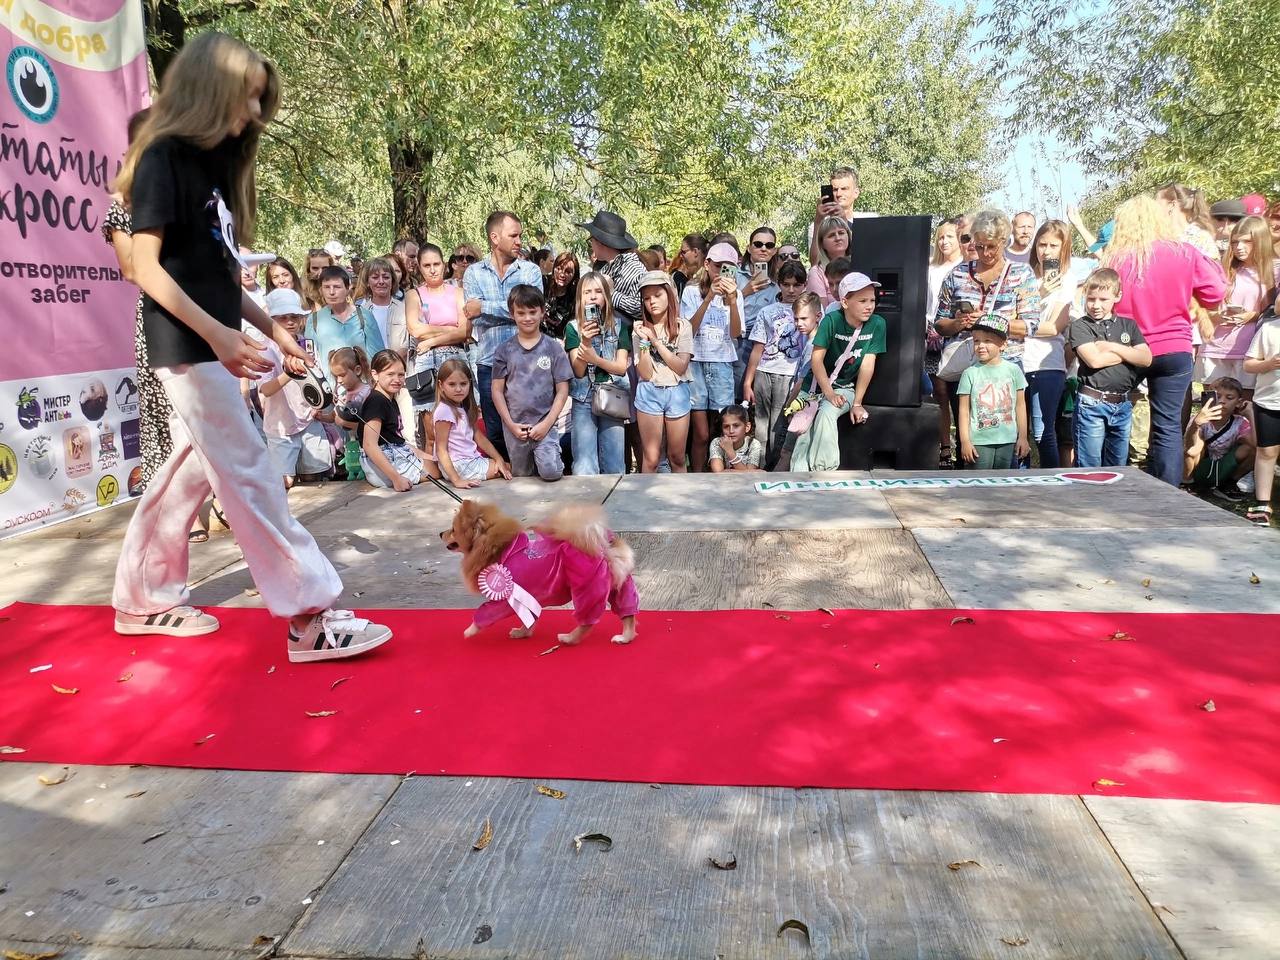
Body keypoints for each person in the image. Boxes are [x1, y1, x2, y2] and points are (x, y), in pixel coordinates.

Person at [107, 31, 390, 658]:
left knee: (187, 472)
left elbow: (222, 279)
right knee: (252, 475)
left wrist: (279, 332)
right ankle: (309, 617)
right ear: (211, 88)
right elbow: (144, 268)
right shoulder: (163, 156)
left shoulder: (210, 175)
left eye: (261, 99)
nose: (256, 112)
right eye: (247, 96)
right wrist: (217, 335)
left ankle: (142, 598)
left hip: (209, 341)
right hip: (188, 343)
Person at [1102, 194, 1226, 485]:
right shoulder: (1184, 252)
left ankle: (1109, 485)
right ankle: (1169, 494)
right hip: (1174, 348)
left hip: (1128, 349)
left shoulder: (1115, 259)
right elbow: (1216, 293)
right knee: (1167, 426)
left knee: (1110, 416)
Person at [463, 210, 544, 458]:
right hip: (490, 363)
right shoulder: (473, 273)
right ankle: (505, 472)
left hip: (527, 361)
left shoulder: (530, 271)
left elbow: (532, 310)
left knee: (530, 424)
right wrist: (513, 310)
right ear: (495, 238)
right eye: (513, 235)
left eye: (520, 235)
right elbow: (473, 314)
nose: (519, 241)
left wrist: (485, 306)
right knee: (495, 429)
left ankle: (531, 473)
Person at [790, 273, 887, 471]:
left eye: (872, 300)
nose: (869, 306)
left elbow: (868, 365)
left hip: (845, 388)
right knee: (803, 437)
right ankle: (798, 477)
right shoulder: (831, 320)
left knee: (827, 413)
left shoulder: (877, 324)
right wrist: (829, 393)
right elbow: (816, 360)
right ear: (845, 302)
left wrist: (857, 403)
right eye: (862, 301)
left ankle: (825, 472)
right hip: (815, 387)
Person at [1066, 268, 1153, 468]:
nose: (1096, 305)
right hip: (1092, 404)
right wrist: (1129, 353)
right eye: (1091, 299)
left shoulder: (1129, 326)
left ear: (1117, 296)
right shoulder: (1080, 326)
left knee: (1117, 467)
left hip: (1123, 404)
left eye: (1103, 299)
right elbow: (1094, 361)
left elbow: (1146, 359)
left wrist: (1112, 347)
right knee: (1089, 467)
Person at [491, 285, 572, 481]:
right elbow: (497, 391)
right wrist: (510, 425)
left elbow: (562, 390)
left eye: (532, 312)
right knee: (522, 476)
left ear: (542, 312)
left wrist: (546, 424)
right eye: (521, 313)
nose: (527, 318)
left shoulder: (553, 349)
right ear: (512, 314)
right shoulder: (504, 350)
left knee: (550, 471)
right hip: (515, 427)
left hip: (545, 424)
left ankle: (557, 459)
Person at [256, 289, 333, 486]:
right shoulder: (264, 349)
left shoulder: (308, 345)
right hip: (280, 425)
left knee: (315, 475)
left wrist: (317, 405)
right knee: (284, 481)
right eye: (283, 318)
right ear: (272, 320)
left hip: (310, 419)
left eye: (294, 317)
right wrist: (290, 374)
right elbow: (266, 389)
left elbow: (319, 377)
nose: (290, 322)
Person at [1199, 216, 1278, 398]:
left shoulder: (1275, 270)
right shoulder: (1222, 269)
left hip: (1250, 349)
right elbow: (1202, 307)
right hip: (1216, 346)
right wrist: (1216, 315)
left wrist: (1253, 315)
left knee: (1245, 405)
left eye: (1246, 241)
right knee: (1214, 404)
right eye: (1234, 242)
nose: (1239, 247)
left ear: (1260, 240)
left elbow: (1275, 310)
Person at [683, 242, 744, 471]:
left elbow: (735, 333)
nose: (721, 272)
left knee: (722, 430)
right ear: (707, 264)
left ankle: (722, 473)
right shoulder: (691, 291)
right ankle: (698, 474)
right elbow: (688, 330)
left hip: (722, 364)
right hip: (695, 363)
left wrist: (733, 301)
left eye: (728, 268)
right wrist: (708, 298)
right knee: (700, 433)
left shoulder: (736, 295)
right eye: (718, 266)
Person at [404, 243, 470, 453]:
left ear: (444, 265)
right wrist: (450, 329)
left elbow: (465, 331)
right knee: (431, 430)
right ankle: (433, 469)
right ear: (419, 267)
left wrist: (431, 340)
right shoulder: (414, 295)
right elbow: (415, 329)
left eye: (436, 264)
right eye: (427, 265)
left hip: (455, 359)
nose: (432, 270)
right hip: (426, 363)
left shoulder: (458, 293)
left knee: (461, 424)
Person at [743, 261, 809, 466]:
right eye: (786, 284)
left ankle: (775, 470)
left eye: (796, 285)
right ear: (778, 284)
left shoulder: (812, 310)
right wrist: (747, 382)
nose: (791, 290)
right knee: (761, 427)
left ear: (805, 285)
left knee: (780, 427)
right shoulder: (767, 311)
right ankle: (758, 466)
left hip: (790, 374)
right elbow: (758, 348)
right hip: (764, 372)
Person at [566, 272, 631, 475]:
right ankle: (587, 496)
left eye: (598, 291)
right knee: (584, 464)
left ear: (606, 297)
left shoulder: (620, 326)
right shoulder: (572, 327)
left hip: (612, 395)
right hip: (584, 397)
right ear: (580, 297)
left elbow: (621, 367)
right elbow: (578, 371)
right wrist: (585, 341)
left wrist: (596, 359)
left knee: (614, 463)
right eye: (587, 292)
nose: (593, 296)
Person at [1024, 220, 1076, 467]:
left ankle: (1050, 482)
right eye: (1042, 244)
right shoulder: (1023, 275)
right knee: (1017, 434)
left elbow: (1055, 326)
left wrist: (1018, 326)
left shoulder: (1067, 280)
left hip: (1048, 363)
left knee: (1043, 433)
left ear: (1064, 248)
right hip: (1018, 359)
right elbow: (1008, 316)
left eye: (1053, 246)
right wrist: (1039, 293)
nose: (1046, 251)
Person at [633, 270, 694, 472]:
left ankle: (680, 492)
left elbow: (681, 366)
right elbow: (646, 373)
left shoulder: (683, 326)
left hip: (677, 391)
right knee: (651, 458)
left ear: (669, 294)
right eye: (646, 298)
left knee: (677, 457)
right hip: (649, 391)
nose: (652, 301)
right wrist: (644, 341)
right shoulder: (639, 328)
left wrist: (655, 342)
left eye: (657, 295)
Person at [956, 315, 1030, 470]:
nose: (981, 346)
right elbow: (963, 411)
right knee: (978, 481)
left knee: (1004, 481)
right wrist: (965, 442)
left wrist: (1023, 437)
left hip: (1008, 440)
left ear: (1003, 344)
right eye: (976, 341)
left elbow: (1020, 406)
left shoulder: (1014, 371)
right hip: (979, 442)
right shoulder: (969, 373)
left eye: (988, 341)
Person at [358, 350, 434, 490]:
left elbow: (398, 441)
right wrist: (396, 479)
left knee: (438, 462)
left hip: (395, 453)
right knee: (438, 470)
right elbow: (369, 444)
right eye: (390, 374)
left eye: (401, 375)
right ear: (375, 374)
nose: (397, 379)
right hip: (386, 464)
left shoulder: (389, 399)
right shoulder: (376, 401)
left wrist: (429, 457)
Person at [431, 357, 511, 488]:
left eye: (463, 384)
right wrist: (456, 480)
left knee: (504, 465)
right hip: (460, 465)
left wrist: (499, 458)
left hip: (468, 461)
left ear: (470, 383)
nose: (458, 389)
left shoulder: (463, 407)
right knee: (510, 469)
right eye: (452, 384)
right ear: (441, 385)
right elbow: (441, 450)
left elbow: (478, 436)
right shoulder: (444, 411)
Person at [308, 265, 384, 391]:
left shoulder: (363, 316)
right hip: (330, 391)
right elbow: (310, 358)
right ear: (321, 290)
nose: (331, 292)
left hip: (363, 390)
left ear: (348, 288)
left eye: (337, 287)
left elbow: (378, 355)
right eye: (326, 287)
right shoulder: (314, 320)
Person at [927, 219, 963, 464]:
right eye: (940, 237)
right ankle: (944, 448)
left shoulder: (964, 268)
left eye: (949, 236)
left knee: (959, 393)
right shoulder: (931, 269)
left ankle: (964, 443)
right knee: (938, 392)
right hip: (932, 335)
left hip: (958, 335)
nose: (944, 241)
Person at [1183, 378, 1255, 500]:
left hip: (1224, 467)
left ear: (1239, 402)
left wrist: (1250, 415)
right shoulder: (1199, 419)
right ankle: (1188, 483)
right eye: (1217, 396)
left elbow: (1256, 445)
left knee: (1253, 449)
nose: (1222, 401)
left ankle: (1228, 484)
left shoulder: (1240, 422)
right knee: (1193, 450)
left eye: (1229, 398)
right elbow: (1191, 448)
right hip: (1200, 466)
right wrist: (1196, 425)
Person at [1243, 310, 1280, 525]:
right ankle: (1263, 502)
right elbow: (1248, 364)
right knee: (1267, 451)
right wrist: (1268, 364)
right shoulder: (1268, 329)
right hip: (1270, 401)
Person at [576, 210, 645, 326]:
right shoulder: (606, 269)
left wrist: (612, 293)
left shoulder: (634, 268)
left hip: (627, 336)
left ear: (600, 242)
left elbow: (643, 307)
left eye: (591, 241)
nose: (591, 245)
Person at [808, 165, 870, 263]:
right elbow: (814, 263)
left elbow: (867, 256)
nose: (839, 194)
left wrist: (844, 221)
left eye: (844, 189)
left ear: (856, 193)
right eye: (835, 190)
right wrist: (818, 221)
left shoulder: (868, 221)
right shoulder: (819, 225)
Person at [806, 217, 851, 306]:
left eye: (841, 233)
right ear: (822, 243)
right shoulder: (817, 272)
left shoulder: (859, 265)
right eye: (831, 235)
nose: (838, 238)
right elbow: (821, 311)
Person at [708, 404, 763, 472]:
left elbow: (749, 475)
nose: (731, 431)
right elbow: (718, 473)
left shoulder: (753, 444)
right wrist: (748, 471)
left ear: (747, 427)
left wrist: (730, 452)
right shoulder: (717, 443)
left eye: (736, 426)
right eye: (726, 427)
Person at [543, 251, 580, 339]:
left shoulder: (575, 297)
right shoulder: (544, 283)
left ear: (574, 275)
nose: (562, 274)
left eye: (568, 272)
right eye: (559, 268)